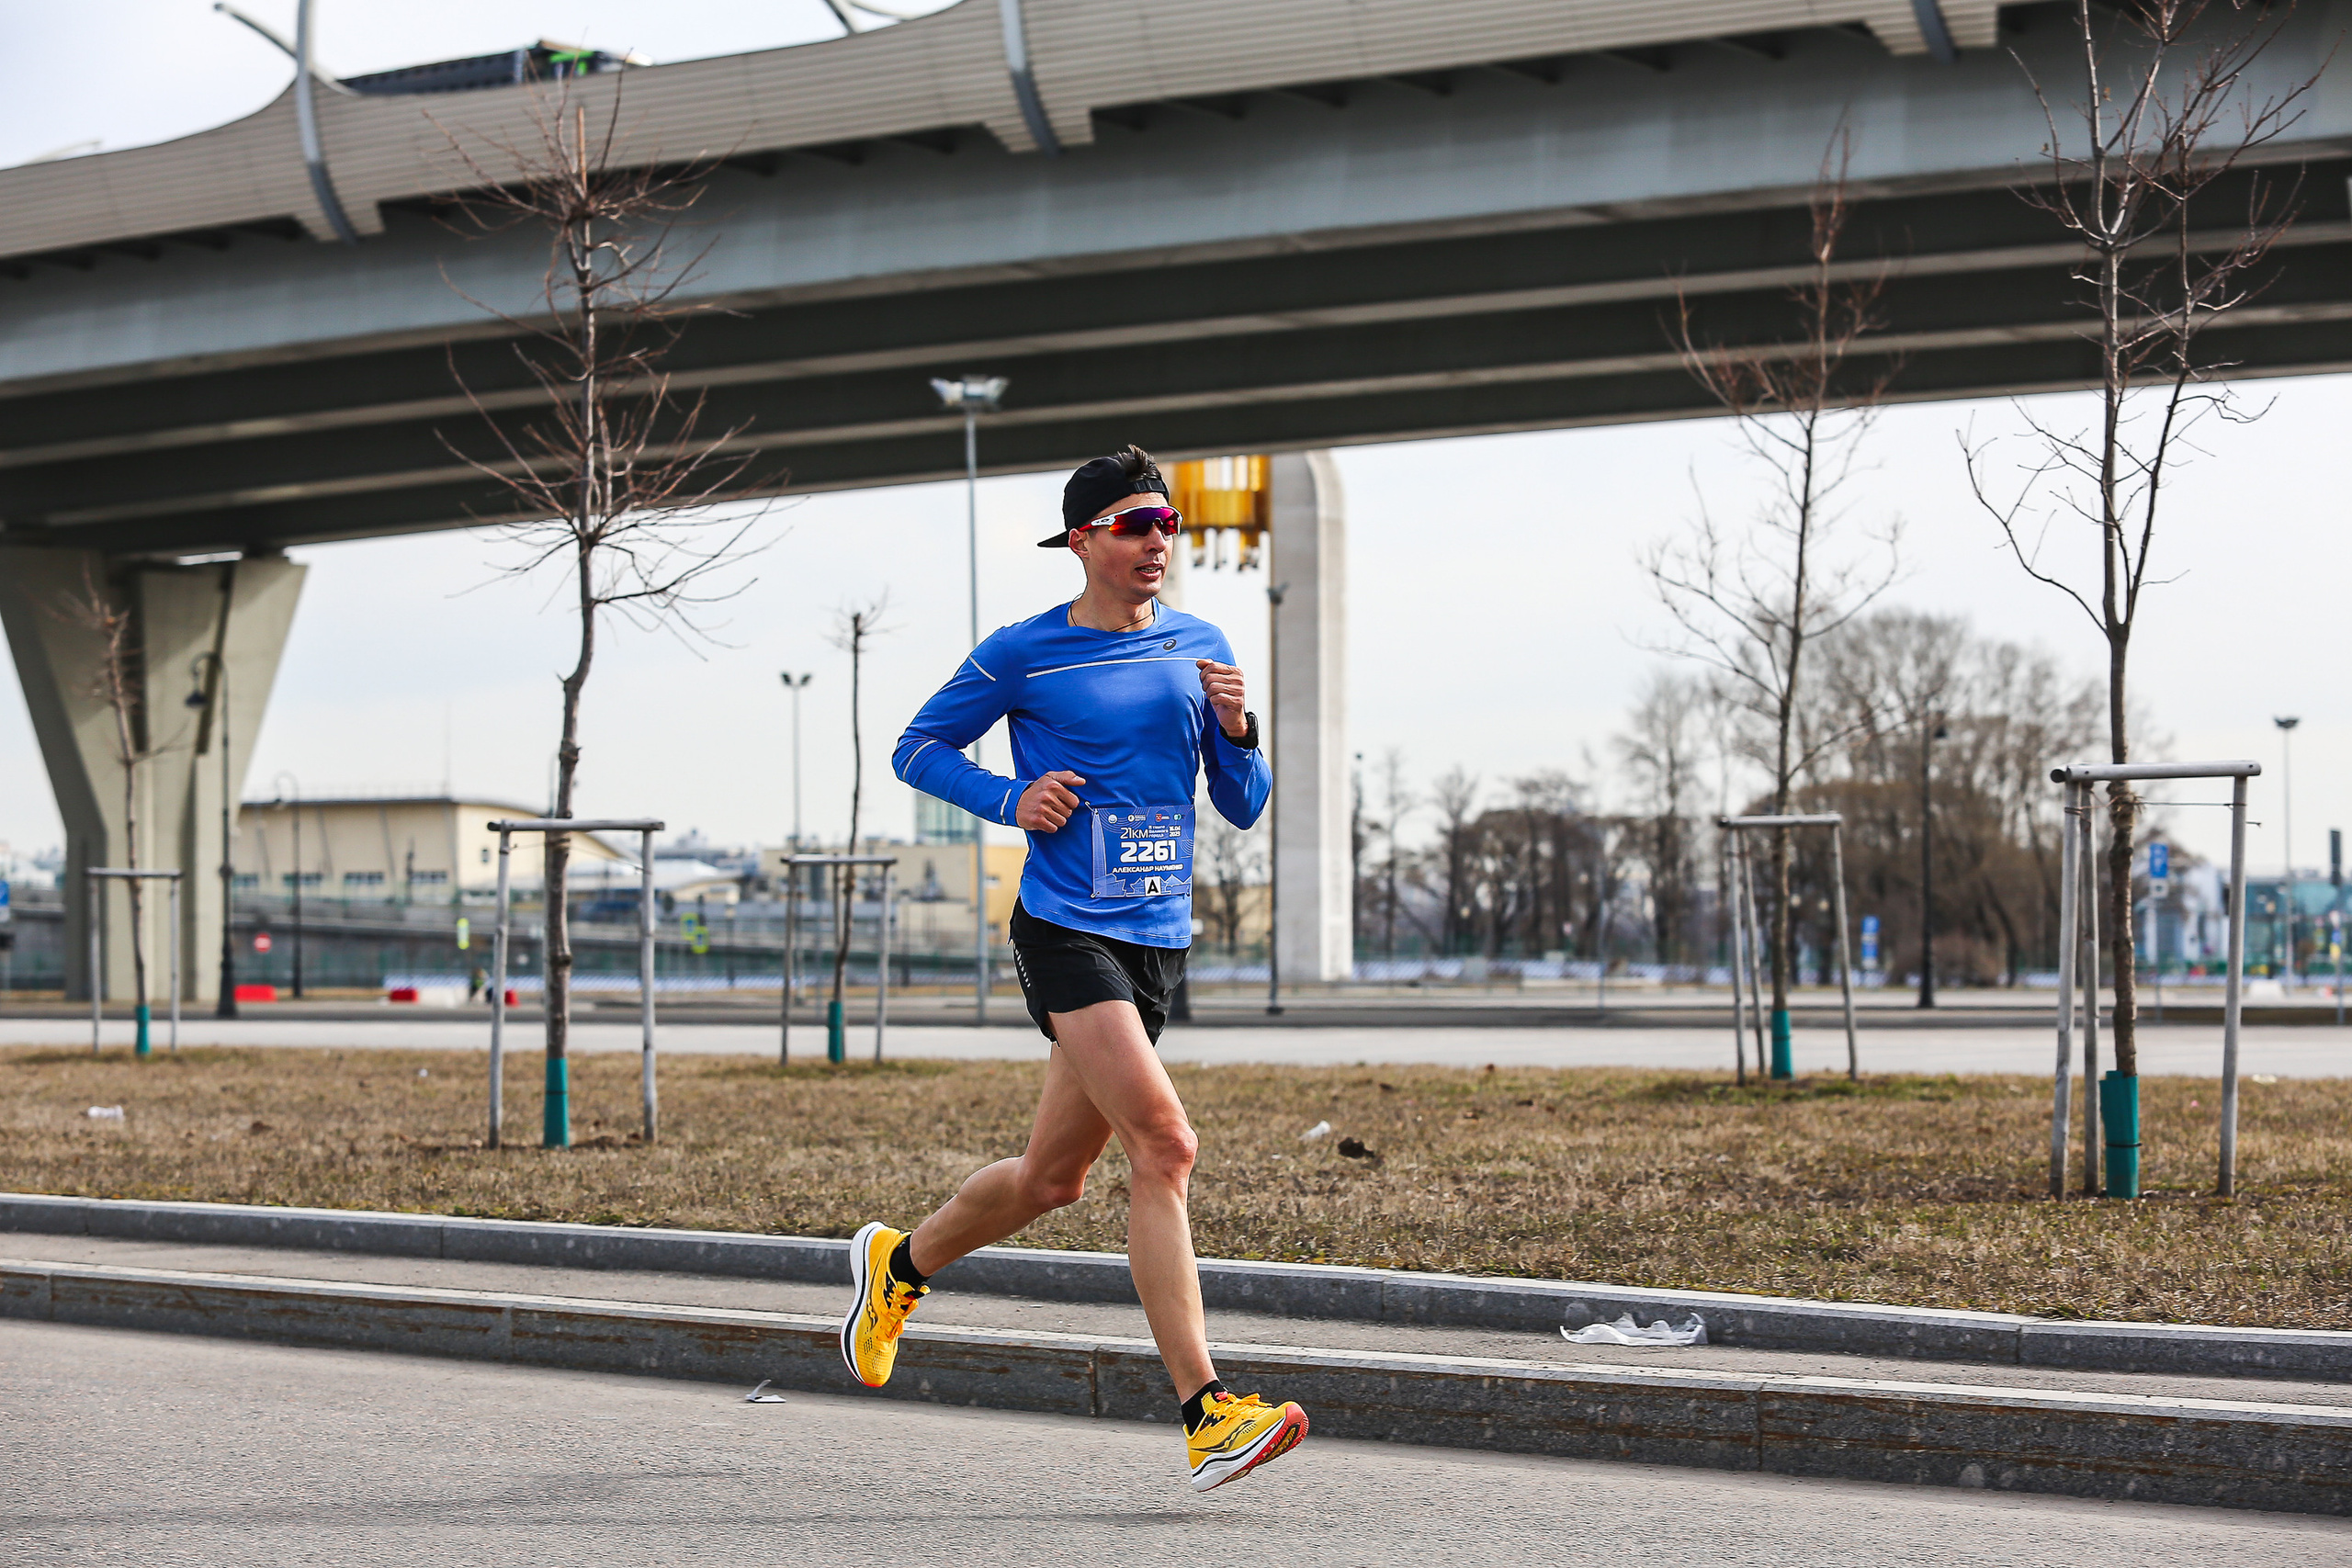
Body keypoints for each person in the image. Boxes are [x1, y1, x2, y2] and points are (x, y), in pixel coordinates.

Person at [847, 443, 1306, 1492]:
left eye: (1169, 527)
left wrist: (1237, 729)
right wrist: (1013, 801)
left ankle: (897, 1266)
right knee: (1167, 1145)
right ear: (1086, 539)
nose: (1158, 544)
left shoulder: (1201, 645)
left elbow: (1241, 803)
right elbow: (916, 749)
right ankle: (1207, 1412)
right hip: (1063, 930)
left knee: (1052, 1180)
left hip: (1156, 939)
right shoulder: (1023, 653)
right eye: (1138, 526)